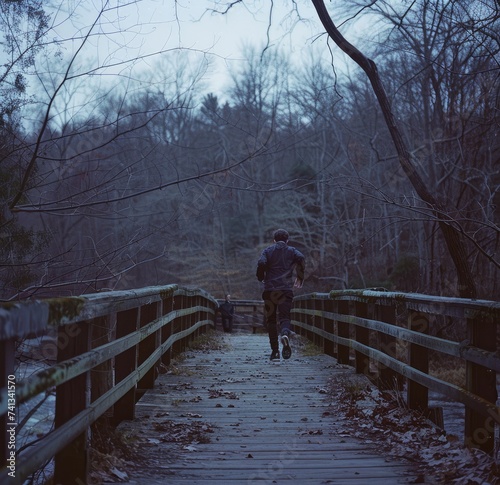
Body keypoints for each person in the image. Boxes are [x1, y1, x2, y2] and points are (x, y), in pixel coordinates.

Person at [256, 229, 305, 360]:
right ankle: (285, 334)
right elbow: (301, 257)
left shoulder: (267, 251)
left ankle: (275, 352)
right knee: (285, 318)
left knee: (271, 320)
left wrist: (261, 276)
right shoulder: (292, 251)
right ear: (287, 240)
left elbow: (261, 262)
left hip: (270, 290)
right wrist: (300, 276)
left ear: (274, 240)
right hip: (285, 289)